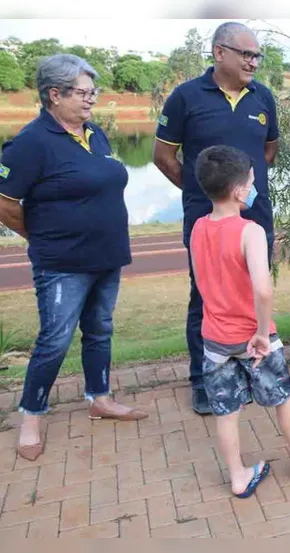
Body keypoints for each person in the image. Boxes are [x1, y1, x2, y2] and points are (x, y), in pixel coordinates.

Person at [0, 54, 147, 462]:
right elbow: (6, 203)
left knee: (99, 329)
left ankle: (99, 398)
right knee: (54, 340)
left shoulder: (94, 133)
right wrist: (43, 236)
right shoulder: (30, 143)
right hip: (62, 263)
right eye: (82, 93)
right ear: (54, 95)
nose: (91, 100)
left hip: (106, 256)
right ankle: (31, 416)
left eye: (92, 92)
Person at [190, 145, 290, 494]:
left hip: (214, 337)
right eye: (253, 181)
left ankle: (238, 476)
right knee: (282, 396)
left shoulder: (197, 227)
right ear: (240, 191)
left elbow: (200, 282)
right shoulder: (250, 231)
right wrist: (260, 333)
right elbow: (264, 290)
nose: (256, 187)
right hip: (252, 337)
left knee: (225, 410)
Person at [153, 21, 280, 415]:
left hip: (256, 217)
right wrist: (204, 195)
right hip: (205, 219)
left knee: (257, 288)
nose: (254, 62)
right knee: (206, 296)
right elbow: (163, 157)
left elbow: (269, 152)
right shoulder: (185, 97)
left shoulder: (264, 98)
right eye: (246, 54)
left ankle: (252, 368)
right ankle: (203, 381)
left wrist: (241, 198)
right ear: (219, 52)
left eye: (257, 55)